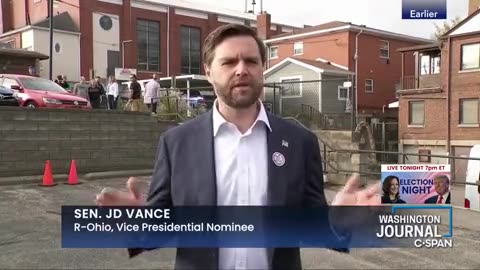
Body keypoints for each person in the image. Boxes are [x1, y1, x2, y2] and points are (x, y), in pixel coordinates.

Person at [95, 24, 381, 270]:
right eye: (229, 62)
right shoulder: (176, 143)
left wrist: (338, 222)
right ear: (208, 71)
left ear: (262, 69)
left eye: (251, 61)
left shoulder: (300, 141)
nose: (242, 69)